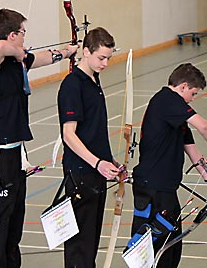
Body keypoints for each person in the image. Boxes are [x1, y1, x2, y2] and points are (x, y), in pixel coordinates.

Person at [0, 8, 78, 268]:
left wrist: (67, 51)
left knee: (14, 217)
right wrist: (16, 50)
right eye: (22, 32)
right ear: (11, 35)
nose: (24, 37)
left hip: (16, 152)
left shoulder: (17, 63)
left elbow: (42, 58)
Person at [130, 63, 207, 268]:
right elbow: (205, 126)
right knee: (153, 249)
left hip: (166, 190)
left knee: (171, 249)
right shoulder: (167, 100)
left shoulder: (176, 114)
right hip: (152, 188)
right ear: (182, 87)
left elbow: (191, 150)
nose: (193, 99)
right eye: (193, 93)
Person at [57, 27, 120, 267]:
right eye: (101, 57)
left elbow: (92, 130)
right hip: (81, 173)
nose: (105, 63)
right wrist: (97, 162)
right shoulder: (73, 85)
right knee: (80, 245)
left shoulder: (94, 80)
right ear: (85, 51)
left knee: (91, 240)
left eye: (108, 58)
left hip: (97, 170)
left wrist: (109, 159)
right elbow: (69, 135)